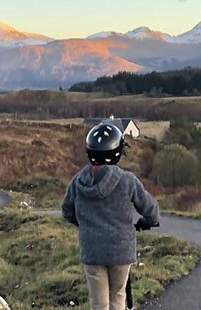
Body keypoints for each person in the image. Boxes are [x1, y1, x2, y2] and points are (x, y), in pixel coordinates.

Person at [62, 123, 160, 310]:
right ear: (118, 152)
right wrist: (147, 222)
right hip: (121, 251)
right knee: (118, 297)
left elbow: (67, 211)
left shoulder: (78, 181)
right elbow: (151, 211)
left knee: (98, 304)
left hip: (92, 251)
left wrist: (86, 225)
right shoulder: (127, 180)